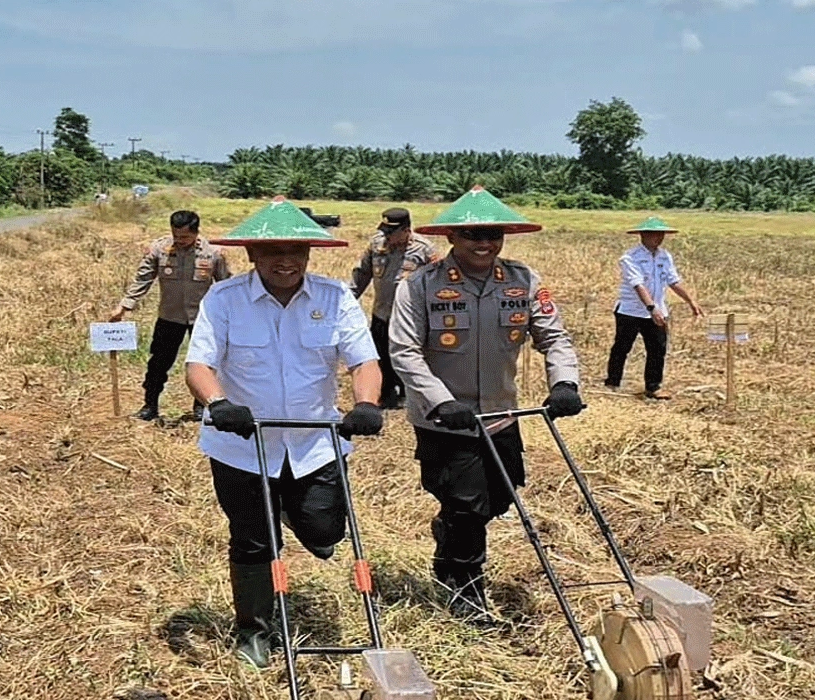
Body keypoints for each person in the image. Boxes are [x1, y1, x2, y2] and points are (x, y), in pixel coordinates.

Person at [184, 197, 384, 667]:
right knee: (253, 539)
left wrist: (366, 403)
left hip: (315, 442)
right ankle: (254, 630)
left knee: (325, 530)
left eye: (296, 249)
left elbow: (364, 361)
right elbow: (199, 364)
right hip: (242, 445)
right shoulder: (225, 298)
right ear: (252, 253)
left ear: (310, 252)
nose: (286, 259)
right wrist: (218, 402)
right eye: (273, 249)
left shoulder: (334, 297)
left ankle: (296, 512)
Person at [390, 186, 583, 618]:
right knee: (468, 507)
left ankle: (449, 533)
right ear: (452, 238)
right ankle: (465, 587)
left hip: (501, 415)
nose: (484, 243)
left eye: (493, 235)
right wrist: (441, 401)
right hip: (446, 421)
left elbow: (554, 336)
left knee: (500, 498)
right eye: (474, 234)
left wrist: (565, 383)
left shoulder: (522, 280)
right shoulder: (420, 285)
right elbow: (404, 352)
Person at [111, 210, 230, 421]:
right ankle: (150, 406)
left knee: (206, 363)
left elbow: (224, 286)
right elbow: (143, 279)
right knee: (158, 364)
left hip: (203, 319)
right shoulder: (159, 250)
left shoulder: (213, 253)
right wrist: (125, 305)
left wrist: (232, 314)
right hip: (169, 317)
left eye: (185, 237)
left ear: (196, 232)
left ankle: (202, 405)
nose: (180, 241)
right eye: (176, 236)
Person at [604, 217, 704, 400]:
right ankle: (612, 382)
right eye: (654, 234)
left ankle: (653, 387)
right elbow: (638, 285)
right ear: (643, 235)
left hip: (658, 310)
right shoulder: (629, 258)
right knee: (622, 347)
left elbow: (673, 281)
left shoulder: (665, 256)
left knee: (658, 348)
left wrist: (691, 301)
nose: (659, 238)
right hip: (631, 311)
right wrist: (652, 308)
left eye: (661, 234)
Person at [349, 207, 439, 409]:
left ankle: (410, 395)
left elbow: (439, 284)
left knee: (409, 355)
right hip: (382, 313)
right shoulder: (376, 245)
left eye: (391, 232)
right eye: (384, 231)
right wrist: (347, 301)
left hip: (410, 317)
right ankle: (386, 395)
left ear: (406, 230)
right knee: (379, 356)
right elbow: (361, 275)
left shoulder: (425, 250)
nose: (386, 236)